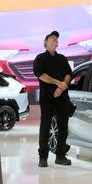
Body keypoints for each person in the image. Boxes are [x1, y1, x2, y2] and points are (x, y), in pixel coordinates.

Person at [33, 31, 73, 167]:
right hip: (47, 99)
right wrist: (58, 83)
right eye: (52, 38)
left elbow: (69, 74)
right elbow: (41, 75)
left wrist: (62, 87)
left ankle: (60, 156)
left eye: (56, 39)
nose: (55, 40)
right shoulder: (40, 58)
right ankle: (43, 157)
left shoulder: (62, 58)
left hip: (63, 98)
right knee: (45, 127)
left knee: (63, 128)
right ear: (45, 42)